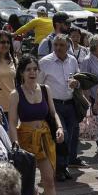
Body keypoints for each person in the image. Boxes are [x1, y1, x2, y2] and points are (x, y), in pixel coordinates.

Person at [8, 57, 68, 195]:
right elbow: (12, 122)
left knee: (49, 181)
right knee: (20, 182)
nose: (32, 72)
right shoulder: (15, 94)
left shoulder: (45, 89)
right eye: (28, 69)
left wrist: (59, 127)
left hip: (44, 138)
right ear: (21, 73)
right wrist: (15, 143)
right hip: (25, 140)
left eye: (35, 69)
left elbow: (53, 113)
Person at [39, 36, 81, 180]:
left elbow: (78, 77)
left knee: (70, 137)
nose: (58, 48)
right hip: (54, 105)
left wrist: (77, 83)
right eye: (55, 45)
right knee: (62, 135)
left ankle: (63, 167)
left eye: (61, 45)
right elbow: (38, 85)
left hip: (70, 103)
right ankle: (58, 169)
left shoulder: (73, 60)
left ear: (68, 46)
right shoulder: (45, 62)